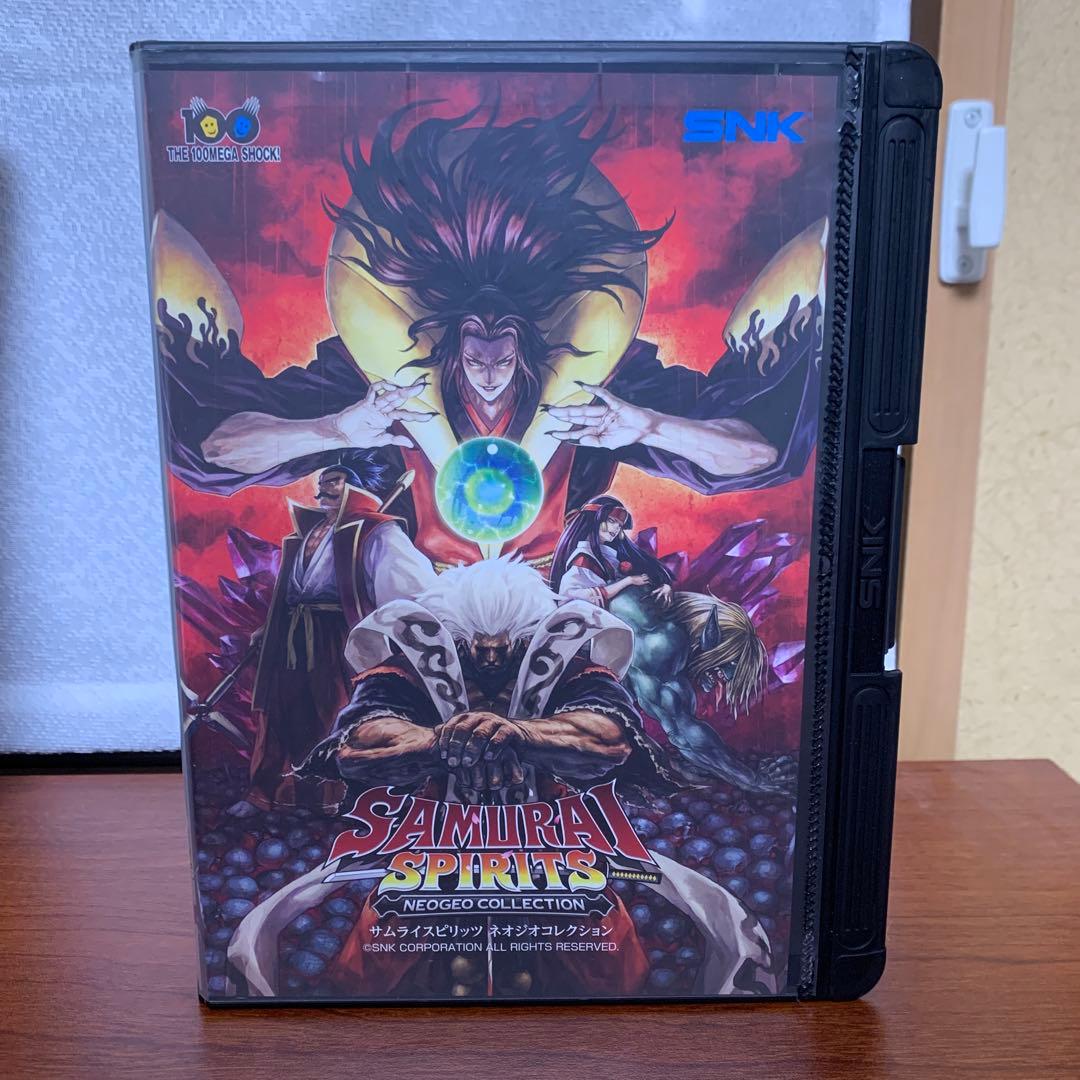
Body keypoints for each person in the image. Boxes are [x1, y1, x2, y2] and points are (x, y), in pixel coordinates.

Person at [155, 97, 825, 572]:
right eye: (472, 337)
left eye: (505, 338)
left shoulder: (604, 381)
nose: (488, 362)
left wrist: (648, 425)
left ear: (534, 335)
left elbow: (757, 453)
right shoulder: (369, 379)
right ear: (444, 335)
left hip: (553, 612)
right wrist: (335, 429)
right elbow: (216, 449)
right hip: (405, 612)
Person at [248, 459, 436, 809]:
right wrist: (269, 629)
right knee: (288, 712)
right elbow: (291, 593)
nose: (324, 490)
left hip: (341, 638)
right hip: (294, 639)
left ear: (356, 485)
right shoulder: (309, 532)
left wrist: (399, 637)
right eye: (322, 484)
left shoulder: (378, 531)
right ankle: (287, 794)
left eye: (334, 481)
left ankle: (342, 800)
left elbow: (409, 593)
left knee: (335, 712)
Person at [550, 495, 673, 608]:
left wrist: (666, 586)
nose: (616, 528)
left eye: (619, 525)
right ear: (594, 519)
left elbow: (649, 569)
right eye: (611, 521)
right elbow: (570, 598)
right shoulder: (583, 558)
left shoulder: (610, 554)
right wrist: (628, 581)